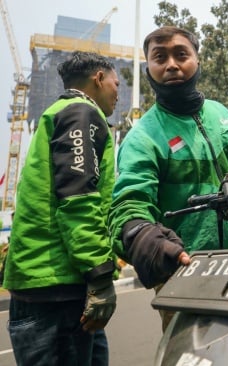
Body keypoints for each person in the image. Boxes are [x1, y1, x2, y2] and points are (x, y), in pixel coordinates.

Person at [108, 26, 228, 331]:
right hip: (183, 270)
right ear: (149, 70)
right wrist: (143, 237)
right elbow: (129, 203)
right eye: (160, 57)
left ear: (197, 60)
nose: (171, 64)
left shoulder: (222, 115)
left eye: (181, 54)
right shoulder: (142, 137)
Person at [2, 51, 119, 366]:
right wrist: (100, 275)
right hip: (57, 290)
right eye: (115, 83)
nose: (117, 92)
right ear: (98, 78)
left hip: (51, 286)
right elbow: (79, 200)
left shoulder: (57, 113)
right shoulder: (81, 113)